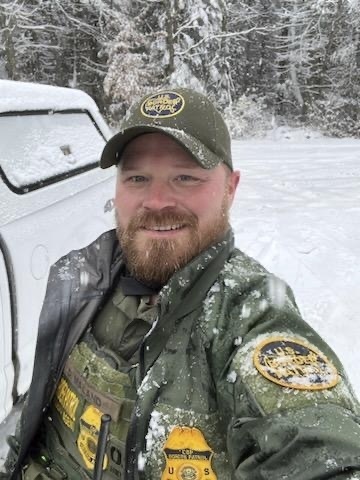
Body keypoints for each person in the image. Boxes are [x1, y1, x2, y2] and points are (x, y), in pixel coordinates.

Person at [4, 88, 360, 480]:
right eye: (137, 177)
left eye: (186, 177)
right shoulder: (82, 279)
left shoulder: (248, 315)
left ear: (231, 187)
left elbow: (316, 447)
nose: (156, 201)